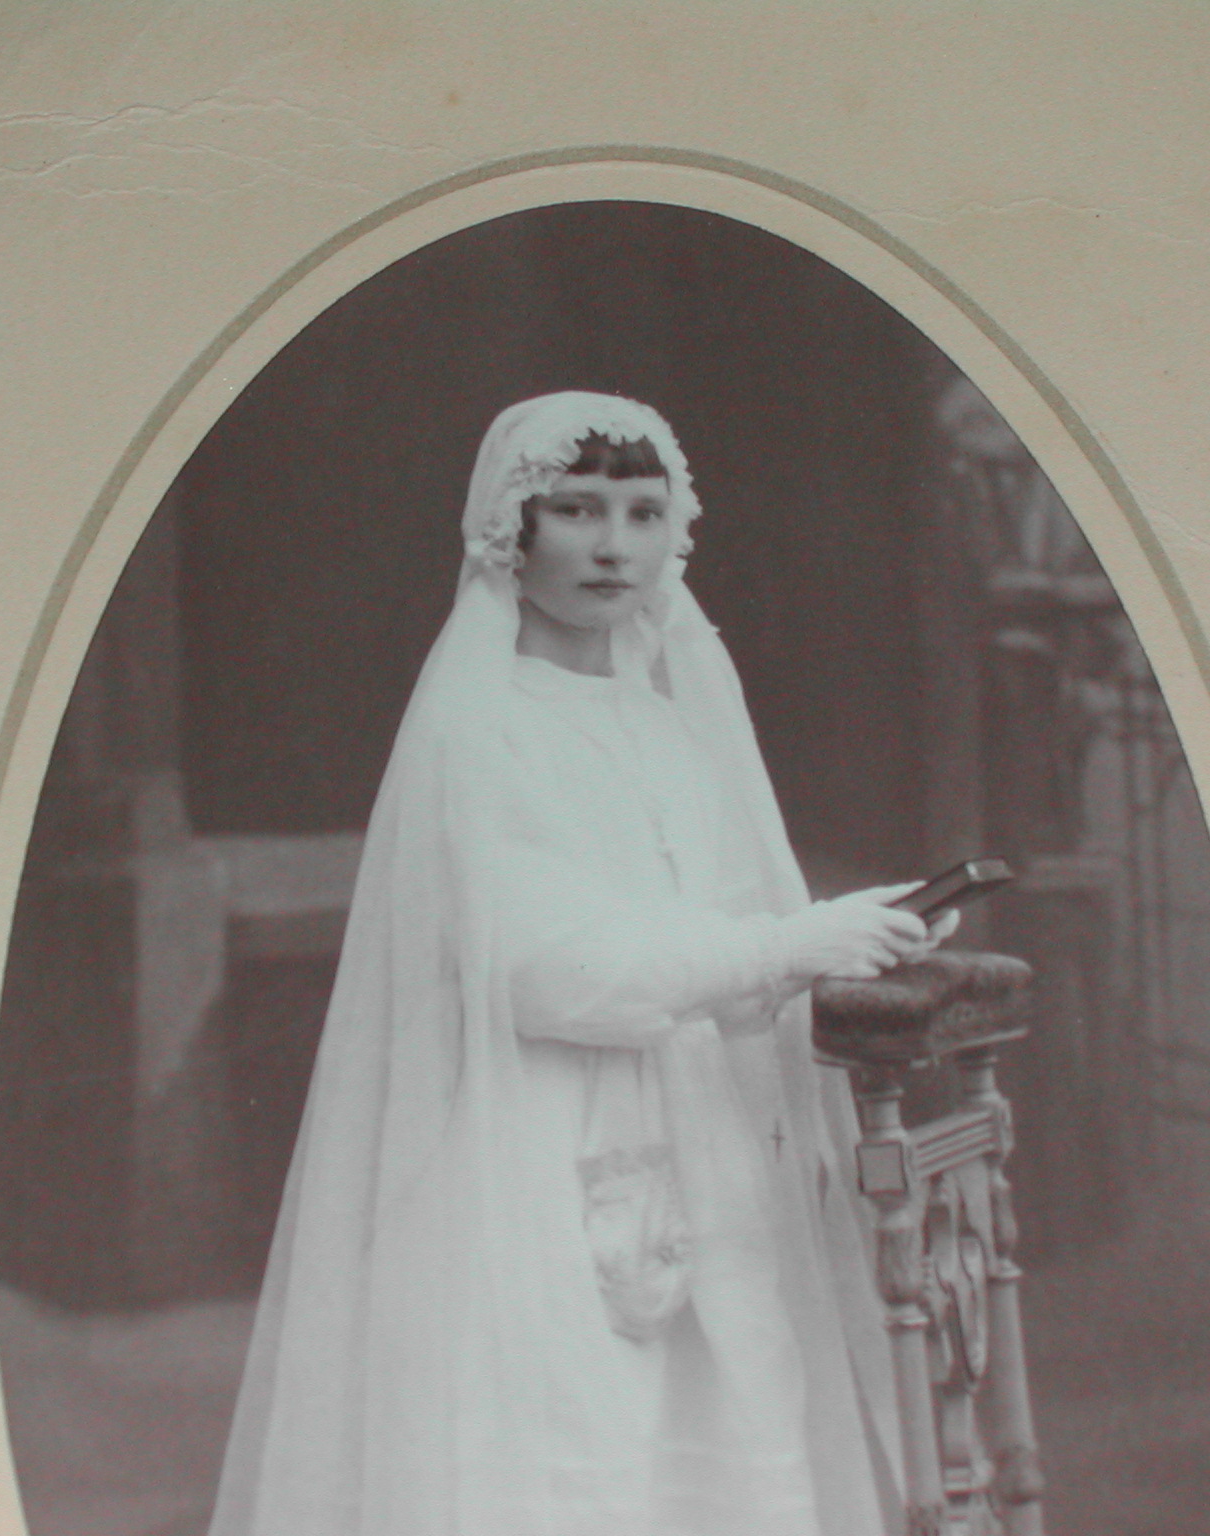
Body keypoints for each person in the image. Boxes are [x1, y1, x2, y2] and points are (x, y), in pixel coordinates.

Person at [208, 392, 952, 1536]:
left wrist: (851, 936)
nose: (612, 545)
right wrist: (784, 942)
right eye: (576, 509)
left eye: (642, 513)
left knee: (725, 1446)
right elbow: (543, 971)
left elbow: (718, 956)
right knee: (579, 1463)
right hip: (536, 1157)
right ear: (513, 528)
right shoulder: (479, 727)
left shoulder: (667, 726)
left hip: (705, 1149)